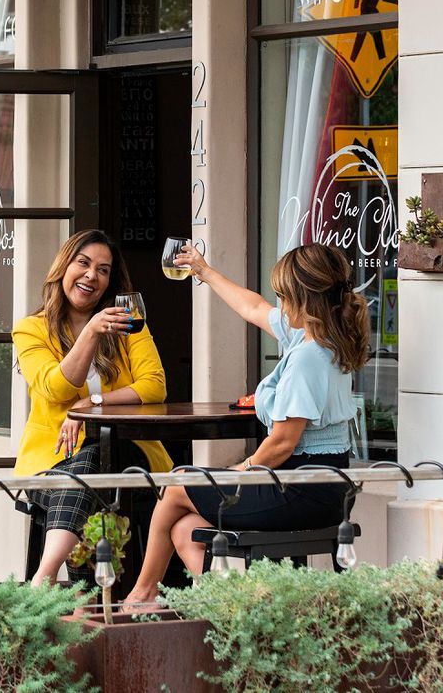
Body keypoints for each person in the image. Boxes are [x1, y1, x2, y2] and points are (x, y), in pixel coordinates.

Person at [122, 241, 369, 609]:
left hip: (297, 488)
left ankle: (143, 595)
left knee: (176, 485)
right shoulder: (322, 338)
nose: (280, 306)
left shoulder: (307, 358)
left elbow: (283, 443)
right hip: (325, 487)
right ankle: (237, 605)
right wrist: (204, 272)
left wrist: (240, 470)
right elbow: (252, 306)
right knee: (184, 528)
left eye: (285, 297)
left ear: (305, 300)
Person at [12, 229, 172, 586]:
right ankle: (93, 601)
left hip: (130, 456)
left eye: (103, 270)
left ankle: (45, 578)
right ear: (63, 267)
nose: (91, 275)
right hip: (51, 460)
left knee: (93, 458)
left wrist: (90, 403)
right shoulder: (30, 330)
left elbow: (154, 387)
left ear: (110, 281)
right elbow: (55, 388)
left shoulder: (127, 322)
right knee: (86, 473)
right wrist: (91, 332)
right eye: (83, 263)